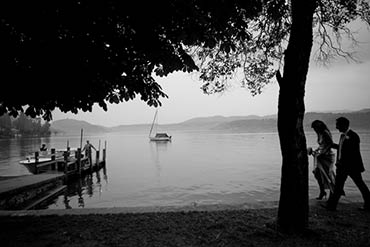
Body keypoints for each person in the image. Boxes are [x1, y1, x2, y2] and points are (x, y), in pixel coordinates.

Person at [322, 117, 370, 211]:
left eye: (338, 125)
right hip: (343, 167)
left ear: (344, 125)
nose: (336, 127)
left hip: (351, 167)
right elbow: (341, 149)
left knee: (359, 185)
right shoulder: (343, 136)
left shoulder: (353, 136)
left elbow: (352, 153)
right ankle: (331, 206)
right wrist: (331, 145)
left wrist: (341, 164)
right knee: (338, 187)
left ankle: (368, 204)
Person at [308, 120, 336, 200]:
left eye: (315, 128)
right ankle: (322, 190)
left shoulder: (325, 133)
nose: (314, 130)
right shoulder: (319, 133)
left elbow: (330, 144)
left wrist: (323, 153)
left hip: (326, 156)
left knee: (328, 174)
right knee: (317, 173)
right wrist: (316, 151)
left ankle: (332, 192)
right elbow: (322, 145)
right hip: (320, 155)